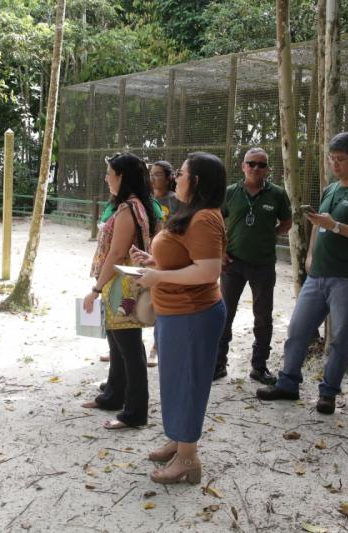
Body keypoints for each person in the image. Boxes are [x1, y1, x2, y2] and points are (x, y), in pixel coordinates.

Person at [256, 132, 348, 415]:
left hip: (346, 278)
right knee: (297, 329)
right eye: (331, 159)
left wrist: (337, 226)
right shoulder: (331, 189)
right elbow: (318, 223)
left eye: (340, 159)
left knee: (340, 337)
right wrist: (311, 254)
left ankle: (328, 393)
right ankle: (288, 384)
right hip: (317, 275)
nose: (334, 164)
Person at [131, 152, 227, 484]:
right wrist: (152, 262)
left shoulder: (205, 218)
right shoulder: (189, 213)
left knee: (187, 383)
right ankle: (177, 439)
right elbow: (181, 259)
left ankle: (188, 459)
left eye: (182, 174)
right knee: (173, 381)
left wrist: (159, 278)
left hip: (194, 315)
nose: (176, 178)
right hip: (175, 313)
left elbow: (208, 270)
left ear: (196, 181)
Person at [81, 153, 156, 430]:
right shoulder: (134, 205)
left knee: (130, 349)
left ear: (122, 176)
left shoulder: (128, 209)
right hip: (121, 282)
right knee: (118, 344)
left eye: (110, 172)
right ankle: (113, 396)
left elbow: (116, 252)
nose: (106, 178)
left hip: (122, 284)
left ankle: (135, 412)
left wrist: (96, 288)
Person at [215, 148, 292, 384]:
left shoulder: (277, 194)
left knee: (263, 317)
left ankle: (259, 367)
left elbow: (287, 222)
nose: (256, 168)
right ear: (243, 166)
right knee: (225, 314)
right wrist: (220, 251)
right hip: (233, 264)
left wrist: (270, 234)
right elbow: (216, 222)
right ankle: (218, 364)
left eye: (261, 164)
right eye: (252, 163)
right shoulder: (229, 193)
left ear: (268, 169)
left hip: (264, 265)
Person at [146, 160, 179, 368]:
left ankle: (156, 347)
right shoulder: (145, 199)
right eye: (151, 174)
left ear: (169, 178)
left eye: (157, 174)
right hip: (144, 255)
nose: (152, 178)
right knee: (134, 302)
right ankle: (124, 348)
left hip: (165, 258)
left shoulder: (175, 201)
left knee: (159, 303)